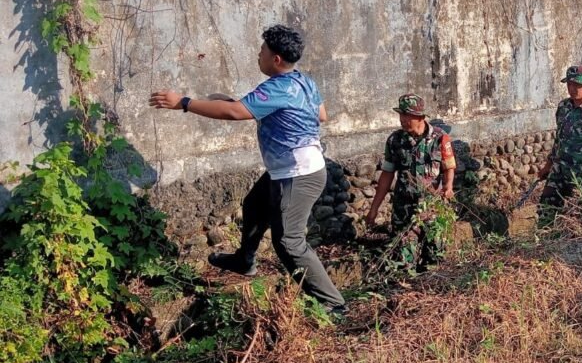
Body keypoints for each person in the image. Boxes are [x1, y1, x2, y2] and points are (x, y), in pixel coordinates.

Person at [149, 24, 346, 314]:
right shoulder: (303, 81)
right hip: (296, 168)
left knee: (289, 242)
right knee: (254, 204)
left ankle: (332, 304)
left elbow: (234, 113)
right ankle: (244, 260)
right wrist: (245, 107)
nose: (258, 54)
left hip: (297, 174)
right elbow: (321, 115)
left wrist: (184, 103)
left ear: (276, 59)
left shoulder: (277, 87)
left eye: (262, 50)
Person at [364, 94, 456, 269]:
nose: (403, 120)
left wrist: (448, 187)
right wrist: (374, 208)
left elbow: (449, 166)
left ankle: (430, 282)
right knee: (403, 259)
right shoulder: (395, 140)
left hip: (432, 207)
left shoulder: (440, 138)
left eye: (408, 116)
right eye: (401, 115)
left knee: (435, 256)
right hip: (404, 209)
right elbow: (387, 175)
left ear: (420, 117)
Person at [536, 65, 582, 225]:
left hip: (580, 174)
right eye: (570, 84)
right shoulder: (563, 107)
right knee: (545, 209)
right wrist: (548, 166)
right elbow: (559, 140)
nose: (572, 89)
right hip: (559, 170)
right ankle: (543, 238)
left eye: (577, 85)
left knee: (579, 215)